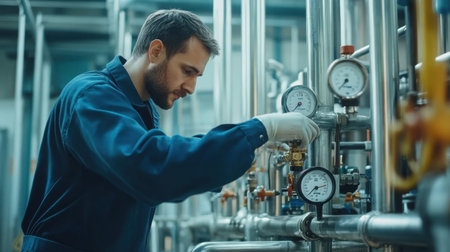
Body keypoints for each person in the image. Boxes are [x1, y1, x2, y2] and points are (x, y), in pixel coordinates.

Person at [21, 9, 319, 252]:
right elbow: (152, 166)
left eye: (197, 76)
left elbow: (165, 160)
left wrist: (248, 146)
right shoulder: (92, 96)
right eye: (187, 71)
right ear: (156, 51)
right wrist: (259, 129)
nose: (190, 87)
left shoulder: (141, 108)